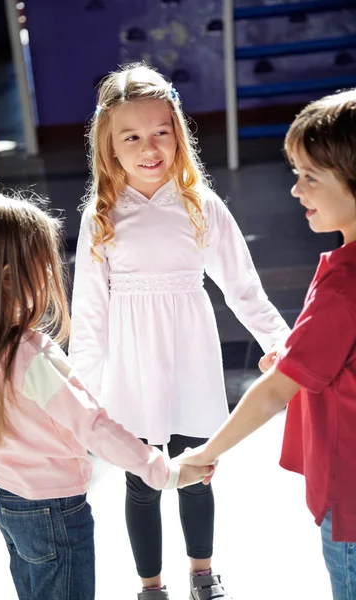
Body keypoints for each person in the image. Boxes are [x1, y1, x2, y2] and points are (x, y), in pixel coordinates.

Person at [69, 62, 290, 600]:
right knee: (142, 481)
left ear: (178, 134)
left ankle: (202, 572)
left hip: (190, 358)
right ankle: (151, 585)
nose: (150, 147)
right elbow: (91, 314)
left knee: (197, 470)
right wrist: (79, 396)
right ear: (110, 147)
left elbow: (242, 287)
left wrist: (283, 345)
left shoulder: (201, 206)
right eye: (133, 136)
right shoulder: (100, 215)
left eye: (161, 133)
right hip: (132, 368)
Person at [0, 190, 212, 600]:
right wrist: (165, 471)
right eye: (41, 262)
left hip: (9, 500)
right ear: (8, 276)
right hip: (54, 511)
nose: (51, 270)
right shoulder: (30, 355)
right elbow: (91, 425)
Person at [180, 88, 356, 600]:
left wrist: (205, 454)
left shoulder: (344, 286)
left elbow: (276, 391)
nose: (297, 191)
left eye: (310, 177)